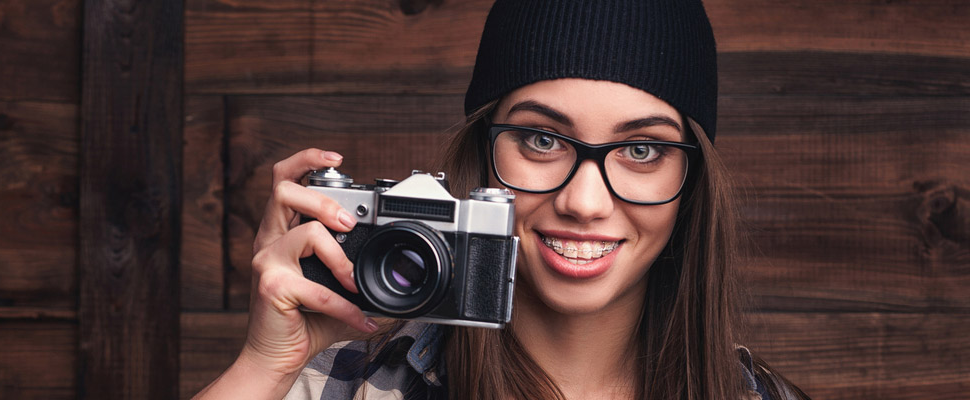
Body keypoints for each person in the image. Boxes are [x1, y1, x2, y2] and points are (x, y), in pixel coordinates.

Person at [195, 0, 810, 399]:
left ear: (692, 181)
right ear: (481, 159)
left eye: (642, 151)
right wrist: (260, 367)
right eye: (542, 139)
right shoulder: (339, 384)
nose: (586, 202)